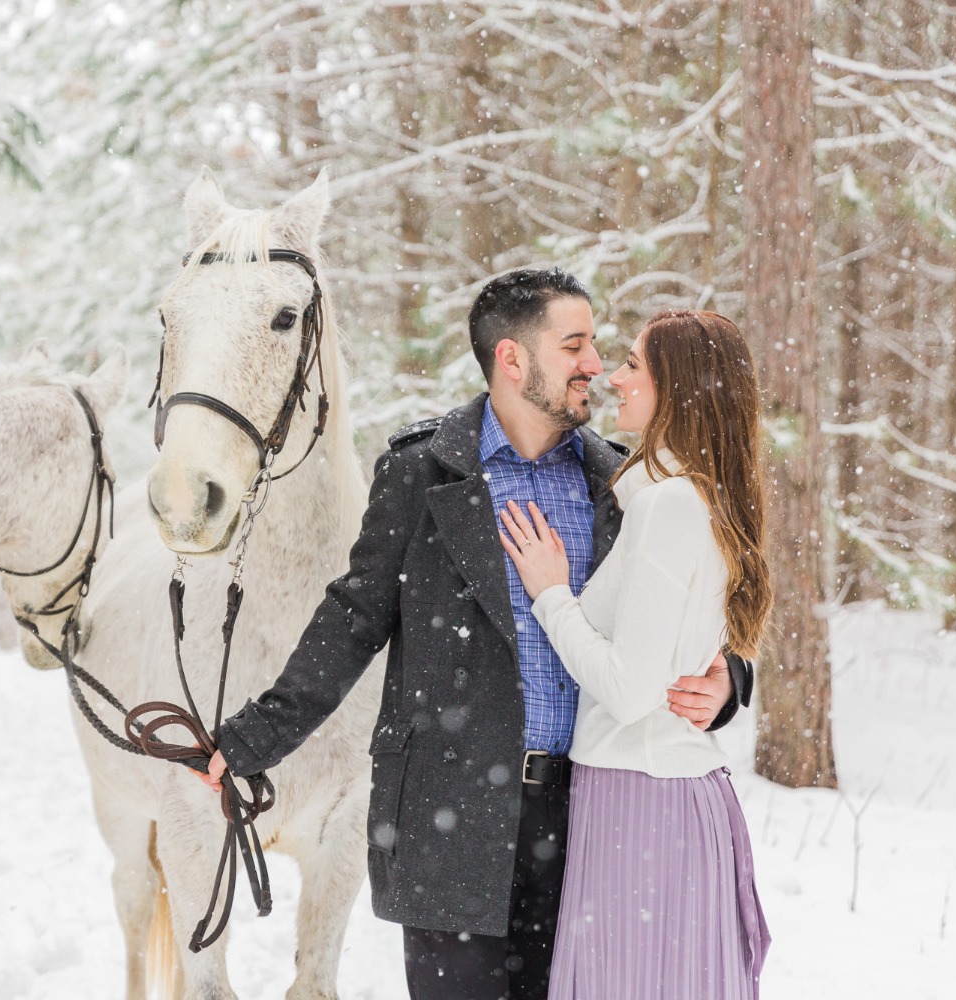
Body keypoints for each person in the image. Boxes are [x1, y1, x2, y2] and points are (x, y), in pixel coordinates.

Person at [201, 269, 753, 1000]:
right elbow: (354, 616)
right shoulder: (420, 471)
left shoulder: (619, 482)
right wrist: (251, 740)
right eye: (576, 345)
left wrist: (731, 679)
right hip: (449, 825)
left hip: (591, 822)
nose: (595, 364)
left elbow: (694, 601)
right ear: (513, 359)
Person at [496, 309, 771, 999]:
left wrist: (551, 594)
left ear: (678, 390)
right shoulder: (676, 497)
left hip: (642, 806)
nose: (613, 378)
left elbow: (626, 688)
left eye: (634, 366)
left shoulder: (671, 507)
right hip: (643, 798)